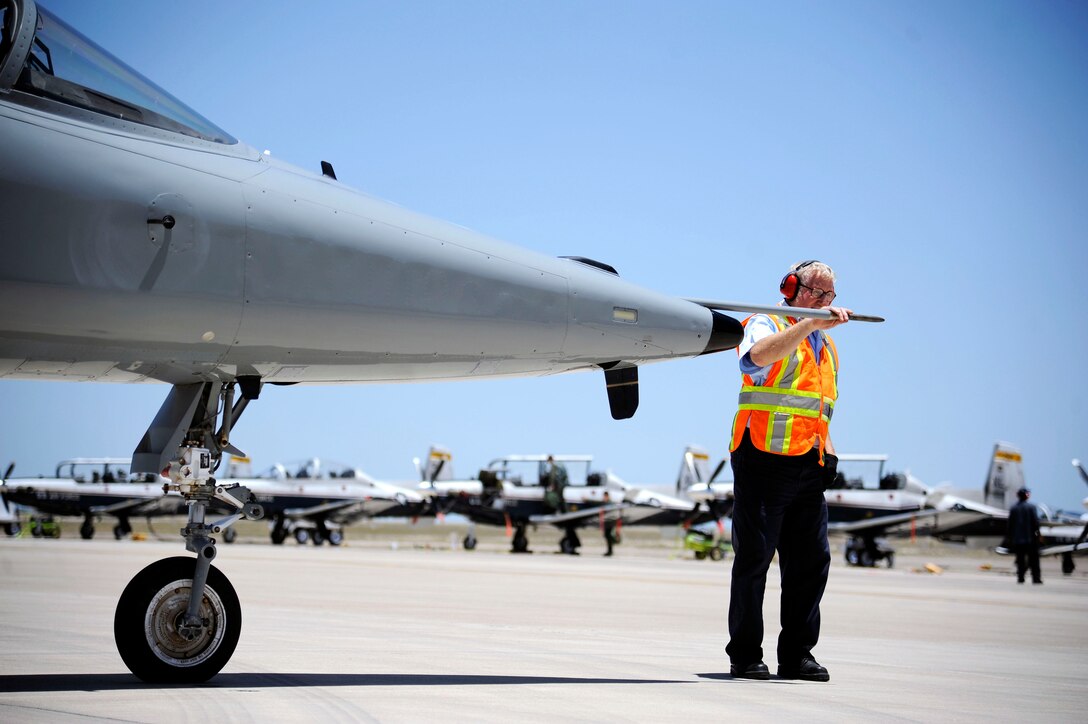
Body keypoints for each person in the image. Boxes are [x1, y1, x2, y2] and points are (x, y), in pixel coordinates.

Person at [726, 260, 850, 682]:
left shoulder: (825, 347)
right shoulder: (765, 322)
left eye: (829, 296)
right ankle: (744, 655)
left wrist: (828, 451)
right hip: (762, 458)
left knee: (811, 563)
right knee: (755, 560)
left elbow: (819, 409)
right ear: (792, 287)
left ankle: (797, 655)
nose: (823, 302)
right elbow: (755, 359)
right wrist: (809, 325)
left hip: (807, 464)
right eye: (816, 293)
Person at [1007, 487, 1042, 584]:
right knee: (1034, 560)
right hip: (1030, 540)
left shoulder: (1014, 508)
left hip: (1018, 540)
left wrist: (1010, 539)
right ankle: (1036, 579)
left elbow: (1010, 525)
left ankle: (1020, 578)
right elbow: (1035, 523)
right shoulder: (1031, 507)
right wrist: (1038, 535)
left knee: (1020, 560)